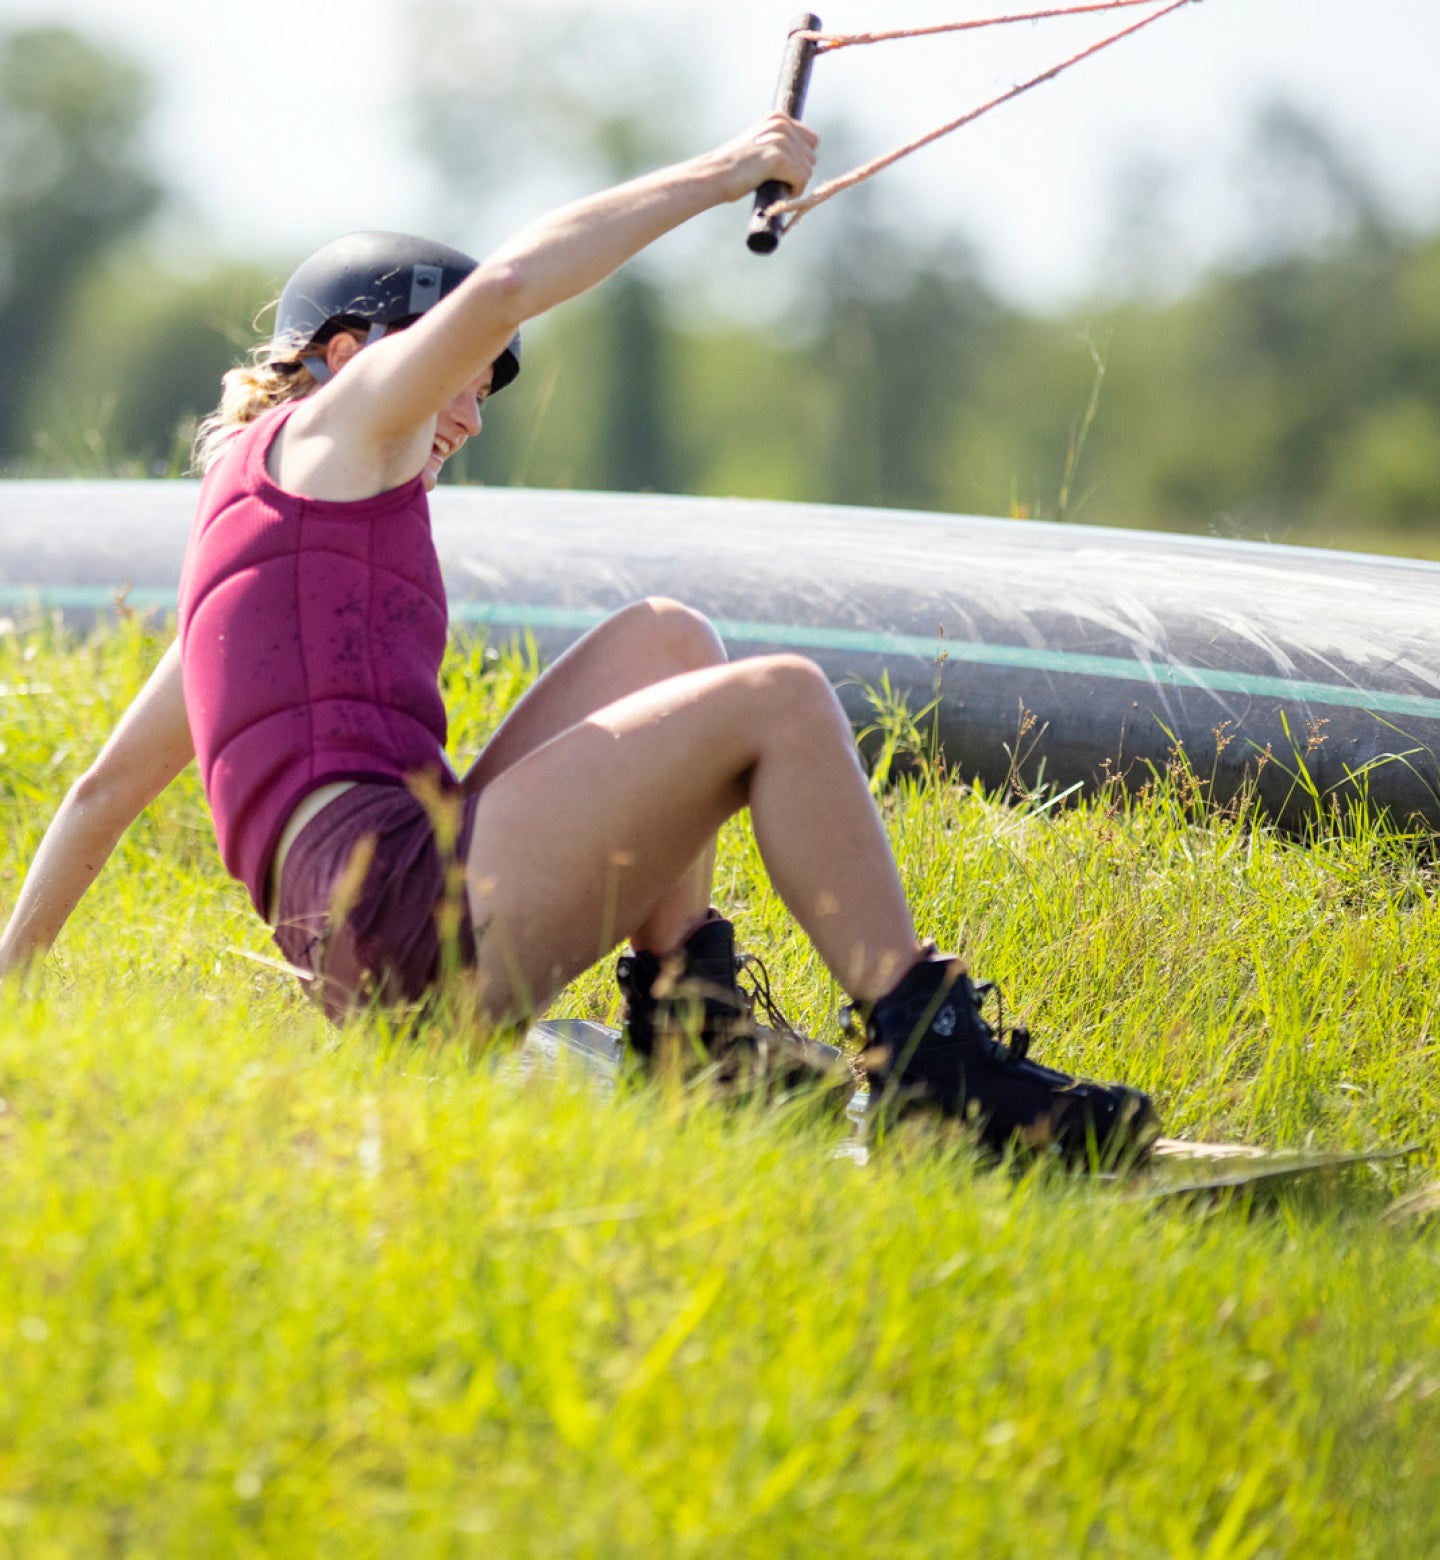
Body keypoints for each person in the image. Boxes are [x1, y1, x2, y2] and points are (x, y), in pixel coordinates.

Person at [0, 114, 1159, 1163]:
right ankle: (933, 1071)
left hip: (384, 929)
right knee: (783, 698)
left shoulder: (255, 549)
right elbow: (507, 282)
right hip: (406, 930)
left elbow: (102, 790)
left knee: (666, 638)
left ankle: (691, 1041)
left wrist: (7, 996)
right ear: (351, 357)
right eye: (454, 372)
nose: (467, 411)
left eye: (487, 395)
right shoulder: (339, 431)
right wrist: (724, 173)